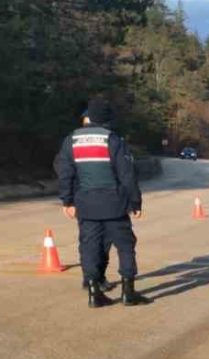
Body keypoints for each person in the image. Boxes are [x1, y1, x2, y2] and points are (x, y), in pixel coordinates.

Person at [54, 98, 150, 309]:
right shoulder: (112, 140)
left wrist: (67, 200)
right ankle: (128, 292)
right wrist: (135, 202)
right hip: (114, 204)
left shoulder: (71, 140)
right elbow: (127, 174)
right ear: (107, 119)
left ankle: (93, 292)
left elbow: (65, 173)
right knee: (125, 246)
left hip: (86, 205)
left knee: (89, 247)